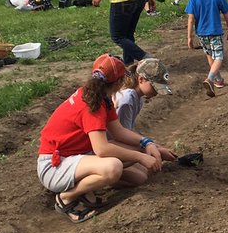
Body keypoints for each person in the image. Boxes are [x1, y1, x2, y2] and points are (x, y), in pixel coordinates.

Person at [37, 54, 163, 222]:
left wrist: (146, 143)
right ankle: (66, 198)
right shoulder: (92, 105)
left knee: (138, 173)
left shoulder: (100, 97)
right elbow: (102, 149)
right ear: (118, 83)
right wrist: (141, 156)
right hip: (54, 166)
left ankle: (85, 188)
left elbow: (118, 132)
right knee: (113, 167)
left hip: (73, 157)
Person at [113, 58, 178, 165]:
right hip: (110, 144)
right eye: (154, 86)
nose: (157, 92)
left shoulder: (138, 98)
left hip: (116, 142)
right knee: (142, 173)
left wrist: (156, 146)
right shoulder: (127, 99)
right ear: (141, 79)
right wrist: (157, 150)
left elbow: (128, 131)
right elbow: (122, 136)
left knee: (142, 173)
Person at [185, 0, 228, 97]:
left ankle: (218, 80)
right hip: (215, 32)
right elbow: (227, 16)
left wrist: (189, 37)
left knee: (210, 56)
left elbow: (191, 19)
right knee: (219, 56)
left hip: (201, 34)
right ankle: (210, 79)